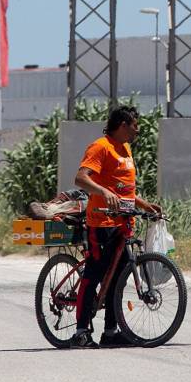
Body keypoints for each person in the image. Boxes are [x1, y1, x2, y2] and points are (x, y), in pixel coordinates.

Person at [70, 106, 162, 348]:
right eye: (134, 125)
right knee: (95, 274)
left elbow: (124, 190)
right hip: (101, 222)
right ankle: (80, 332)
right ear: (122, 125)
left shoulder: (125, 149)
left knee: (117, 278)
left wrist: (144, 204)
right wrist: (102, 191)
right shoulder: (100, 147)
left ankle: (110, 332)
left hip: (123, 224)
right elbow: (80, 178)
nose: (138, 130)